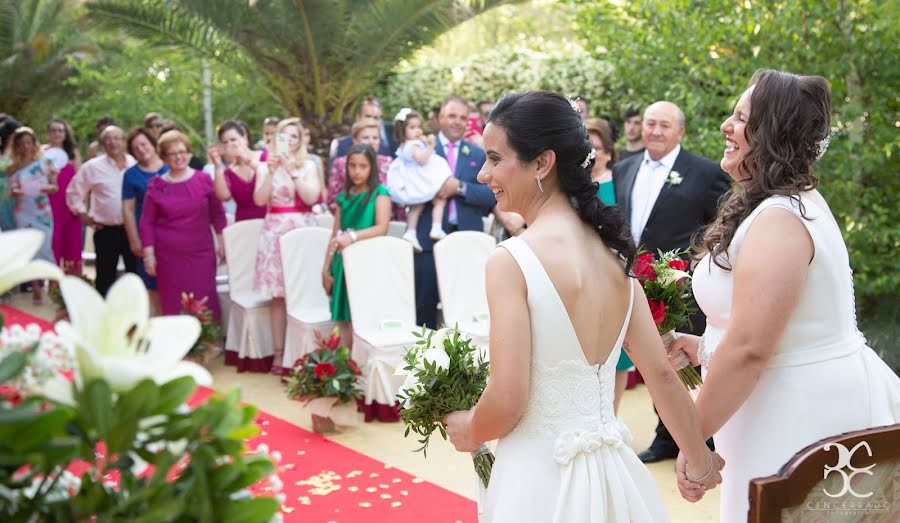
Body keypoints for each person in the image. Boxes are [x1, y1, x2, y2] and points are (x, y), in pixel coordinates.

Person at [442, 91, 723, 522]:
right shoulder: (616, 259)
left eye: (496, 159)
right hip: (612, 476)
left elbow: (508, 400)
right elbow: (663, 376)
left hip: (539, 480)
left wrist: (469, 428)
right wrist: (700, 463)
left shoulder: (511, 261)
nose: (482, 174)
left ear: (542, 163)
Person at [668, 69, 900, 522]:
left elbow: (752, 348)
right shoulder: (782, 203)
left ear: (771, 133)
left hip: (801, 418)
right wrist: (703, 348)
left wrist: (695, 441)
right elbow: (779, 331)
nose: (725, 127)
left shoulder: (781, 218)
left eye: (740, 118)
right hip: (777, 405)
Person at [613, 100, 730, 464]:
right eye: (650, 124)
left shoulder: (705, 172)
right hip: (635, 281)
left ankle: (704, 433)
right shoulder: (623, 168)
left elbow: (722, 224)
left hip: (683, 285)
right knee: (654, 360)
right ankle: (666, 437)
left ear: (680, 131)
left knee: (687, 358)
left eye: (664, 125)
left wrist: (698, 262)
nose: (655, 131)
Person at [414, 95, 496, 329]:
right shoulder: (422, 151)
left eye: (463, 117)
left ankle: (464, 364)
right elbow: (405, 190)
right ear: (440, 118)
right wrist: (433, 188)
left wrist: (459, 188)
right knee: (425, 306)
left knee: (467, 306)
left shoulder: (479, 154)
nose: (457, 122)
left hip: (467, 238)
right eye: (452, 115)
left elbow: (490, 195)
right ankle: (425, 360)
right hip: (427, 238)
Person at [253, 118, 322, 374]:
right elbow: (259, 199)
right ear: (275, 139)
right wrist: (271, 171)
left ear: (300, 141)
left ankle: (306, 353)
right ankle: (280, 353)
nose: (290, 141)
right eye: (285, 136)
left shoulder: (308, 166)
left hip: (302, 230)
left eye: (294, 136)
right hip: (275, 233)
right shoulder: (264, 167)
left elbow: (312, 197)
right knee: (278, 297)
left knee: (304, 292)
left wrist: (292, 170)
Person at [140, 130, 226, 319]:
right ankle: (179, 347)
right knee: (173, 303)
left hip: (202, 254)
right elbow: (147, 223)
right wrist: (149, 255)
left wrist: (222, 242)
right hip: (169, 258)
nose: (179, 157)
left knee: (206, 301)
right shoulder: (156, 185)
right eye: (173, 153)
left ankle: (208, 347)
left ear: (189, 153)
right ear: (163, 157)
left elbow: (217, 215)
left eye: (183, 152)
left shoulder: (204, 180)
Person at [586, 117, 635, 412]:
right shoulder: (575, 186)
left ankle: (612, 414)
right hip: (584, 273)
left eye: (596, 148)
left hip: (616, 270)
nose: (592, 155)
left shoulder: (619, 181)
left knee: (620, 354)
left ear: (607, 152)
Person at [322, 144, 391, 351]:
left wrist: (352, 236)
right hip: (341, 263)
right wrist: (326, 268)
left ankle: (360, 363)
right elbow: (334, 235)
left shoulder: (380, 193)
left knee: (361, 314)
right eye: (352, 166)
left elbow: (382, 227)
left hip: (366, 262)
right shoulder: (344, 197)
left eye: (362, 166)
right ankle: (345, 364)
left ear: (372, 168)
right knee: (343, 316)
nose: (357, 171)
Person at [67, 126, 137, 296]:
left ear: (125, 142)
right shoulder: (92, 167)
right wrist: (83, 214)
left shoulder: (136, 164)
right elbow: (73, 191)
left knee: (136, 278)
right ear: (102, 144)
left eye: (117, 138)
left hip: (134, 231)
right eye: (108, 139)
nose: (113, 142)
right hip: (106, 231)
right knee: (105, 279)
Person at [385, 108, 455, 252]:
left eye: (418, 127)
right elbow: (422, 160)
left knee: (417, 207)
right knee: (439, 200)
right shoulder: (413, 145)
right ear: (402, 129)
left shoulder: (407, 144)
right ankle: (436, 227)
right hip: (420, 178)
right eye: (412, 127)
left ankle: (411, 232)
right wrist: (430, 146)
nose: (417, 130)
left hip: (412, 177)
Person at [8, 127, 58, 303]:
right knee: (29, 250)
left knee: (46, 248)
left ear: (34, 144)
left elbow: (55, 187)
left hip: (42, 212)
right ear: (16, 147)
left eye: (29, 143)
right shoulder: (12, 167)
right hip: (23, 211)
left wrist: (47, 188)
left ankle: (53, 287)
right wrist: (15, 192)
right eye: (21, 144)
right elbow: (11, 189)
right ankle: (36, 288)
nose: (26, 147)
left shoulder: (46, 163)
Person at [122, 127, 168, 313]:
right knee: (151, 285)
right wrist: (134, 240)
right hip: (146, 236)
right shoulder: (131, 175)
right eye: (136, 147)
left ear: (153, 144)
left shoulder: (170, 166)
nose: (141, 149)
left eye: (144, 144)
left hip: (172, 234)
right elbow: (127, 209)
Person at [327, 118, 401, 219]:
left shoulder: (388, 163)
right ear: (355, 140)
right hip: (350, 220)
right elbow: (332, 199)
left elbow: (397, 198)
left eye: (375, 138)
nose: (371, 142)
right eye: (366, 137)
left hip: (384, 221)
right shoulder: (341, 164)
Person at [43, 119, 83, 275]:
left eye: (60, 130)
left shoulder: (73, 154)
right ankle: (51, 282)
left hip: (69, 205)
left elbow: (80, 181)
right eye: (53, 130)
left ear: (65, 133)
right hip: (49, 205)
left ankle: (73, 283)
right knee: (53, 241)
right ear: (48, 133)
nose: (57, 133)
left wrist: (80, 206)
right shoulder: (41, 153)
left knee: (71, 243)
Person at [209, 120, 267, 222]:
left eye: (233, 139)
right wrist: (217, 166)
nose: (230, 144)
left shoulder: (265, 157)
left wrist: (245, 158)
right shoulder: (229, 172)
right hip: (243, 224)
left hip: (268, 220)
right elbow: (224, 197)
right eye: (225, 142)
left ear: (244, 138)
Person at [328, 96, 394, 163]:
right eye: (368, 116)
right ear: (358, 117)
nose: (371, 120)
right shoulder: (341, 145)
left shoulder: (384, 147)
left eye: (376, 118)